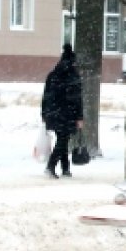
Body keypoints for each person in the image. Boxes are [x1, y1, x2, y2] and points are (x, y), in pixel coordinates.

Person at [41, 43, 84, 178]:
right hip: (68, 114)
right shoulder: (73, 77)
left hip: (53, 112)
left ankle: (65, 169)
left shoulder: (52, 75)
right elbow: (77, 99)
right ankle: (50, 166)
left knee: (62, 139)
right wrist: (79, 117)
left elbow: (46, 95)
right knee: (63, 141)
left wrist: (44, 112)